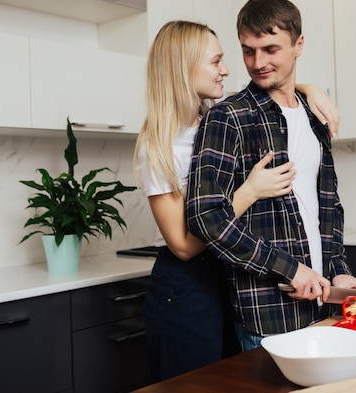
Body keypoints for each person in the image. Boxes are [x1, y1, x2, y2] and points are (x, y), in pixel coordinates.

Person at [134, 20, 340, 382]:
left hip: (230, 275)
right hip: (187, 286)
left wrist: (309, 88)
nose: (226, 70)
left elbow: (267, 90)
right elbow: (183, 246)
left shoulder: (214, 119)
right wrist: (249, 192)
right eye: (215, 62)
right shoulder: (159, 145)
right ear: (184, 68)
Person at [186, 0, 356, 353]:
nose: (258, 63)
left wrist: (338, 270)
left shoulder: (315, 116)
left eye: (270, 49)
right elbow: (205, 216)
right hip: (269, 315)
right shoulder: (228, 117)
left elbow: (326, 207)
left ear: (298, 44)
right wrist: (289, 269)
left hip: (324, 303)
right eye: (248, 50)